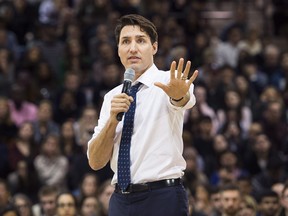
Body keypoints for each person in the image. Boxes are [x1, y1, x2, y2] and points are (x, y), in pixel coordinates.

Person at [87, 14, 198, 216]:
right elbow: (95, 162)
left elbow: (184, 99)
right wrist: (112, 120)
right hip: (120, 199)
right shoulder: (112, 97)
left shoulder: (168, 81)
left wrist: (179, 95)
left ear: (154, 47)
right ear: (118, 50)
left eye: (141, 40)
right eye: (125, 41)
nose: (133, 48)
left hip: (162, 196)